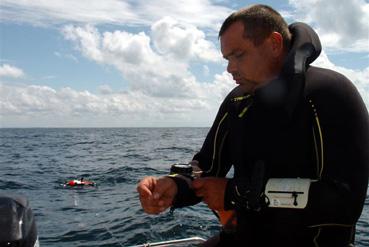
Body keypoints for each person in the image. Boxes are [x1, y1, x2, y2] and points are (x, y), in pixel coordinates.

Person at [137, 4, 369, 246]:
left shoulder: (329, 92)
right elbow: (207, 168)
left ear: (274, 44)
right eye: (227, 59)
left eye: (239, 55)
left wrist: (234, 193)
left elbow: (345, 201)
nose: (230, 68)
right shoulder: (237, 100)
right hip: (241, 237)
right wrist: (173, 186)